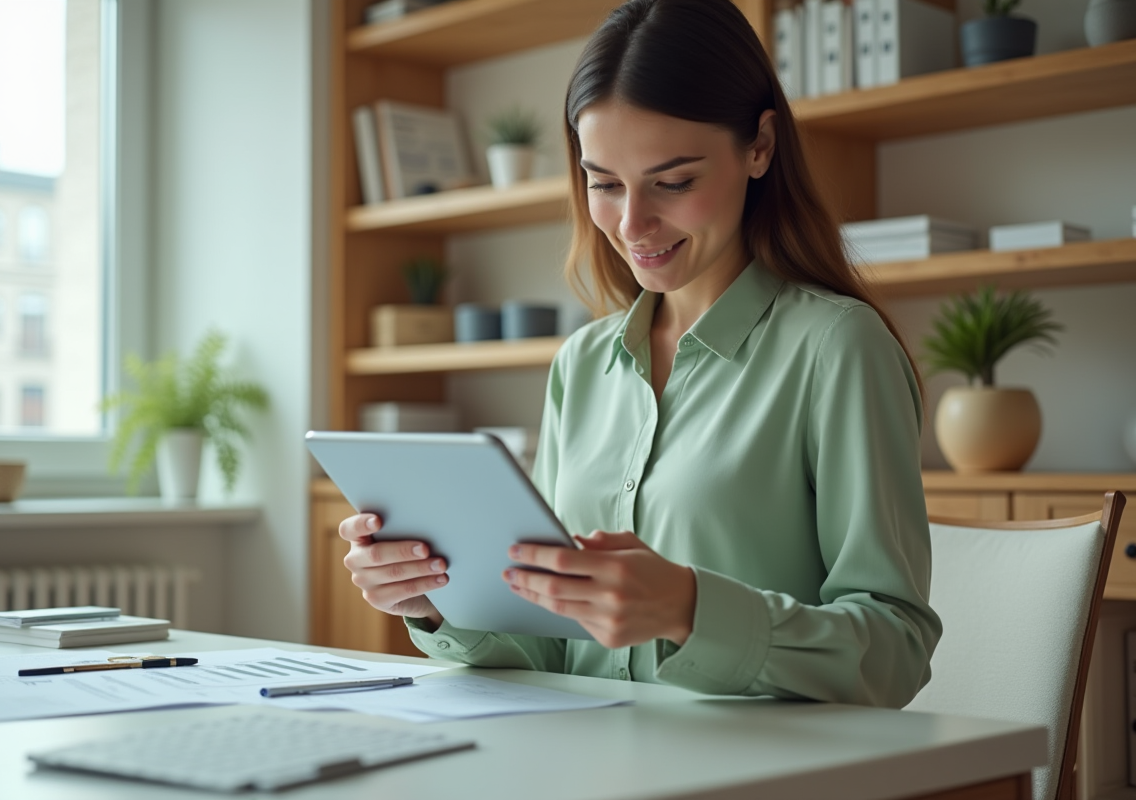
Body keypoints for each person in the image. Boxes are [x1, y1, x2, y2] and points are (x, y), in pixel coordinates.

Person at [339, 0, 941, 707]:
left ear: (760, 146)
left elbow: (894, 653)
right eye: (603, 183)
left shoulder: (838, 349)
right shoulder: (583, 365)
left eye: (674, 181)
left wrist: (691, 610)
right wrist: (432, 602)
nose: (632, 224)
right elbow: (547, 642)